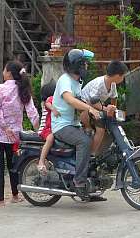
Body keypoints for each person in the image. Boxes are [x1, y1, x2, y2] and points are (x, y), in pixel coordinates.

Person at [0, 61, 39, 208]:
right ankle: (15, 196)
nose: (3, 72)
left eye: (4, 70)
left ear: (9, 73)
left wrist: (5, 128)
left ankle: (1, 201)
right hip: (15, 136)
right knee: (13, 166)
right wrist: (38, 131)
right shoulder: (23, 90)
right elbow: (32, 112)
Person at [51, 49, 100, 201]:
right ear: (76, 65)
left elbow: (82, 102)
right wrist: (89, 108)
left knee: (90, 137)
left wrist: (100, 109)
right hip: (61, 126)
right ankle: (79, 182)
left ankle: (90, 180)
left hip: (73, 125)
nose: (86, 66)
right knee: (84, 141)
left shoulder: (77, 82)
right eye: (84, 64)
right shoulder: (65, 80)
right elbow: (70, 100)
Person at [80, 60, 128, 156]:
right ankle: (91, 154)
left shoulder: (112, 84)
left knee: (108, 128)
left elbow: (114, 97)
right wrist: (106, 109)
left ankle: (99, 152)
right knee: (100, 130)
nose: (123, 78)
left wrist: (113, 108)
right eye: (123, 76)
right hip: (84, 107)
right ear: (117, 76)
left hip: (97, 107)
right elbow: (93, 101)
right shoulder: (99, 83)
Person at [37, 83, 61, 173]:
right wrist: (53, 109)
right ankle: (41, 161)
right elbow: (48, 103)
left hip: (52, 128)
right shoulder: (50, 99)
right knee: (50, 138)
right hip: (46, 129)